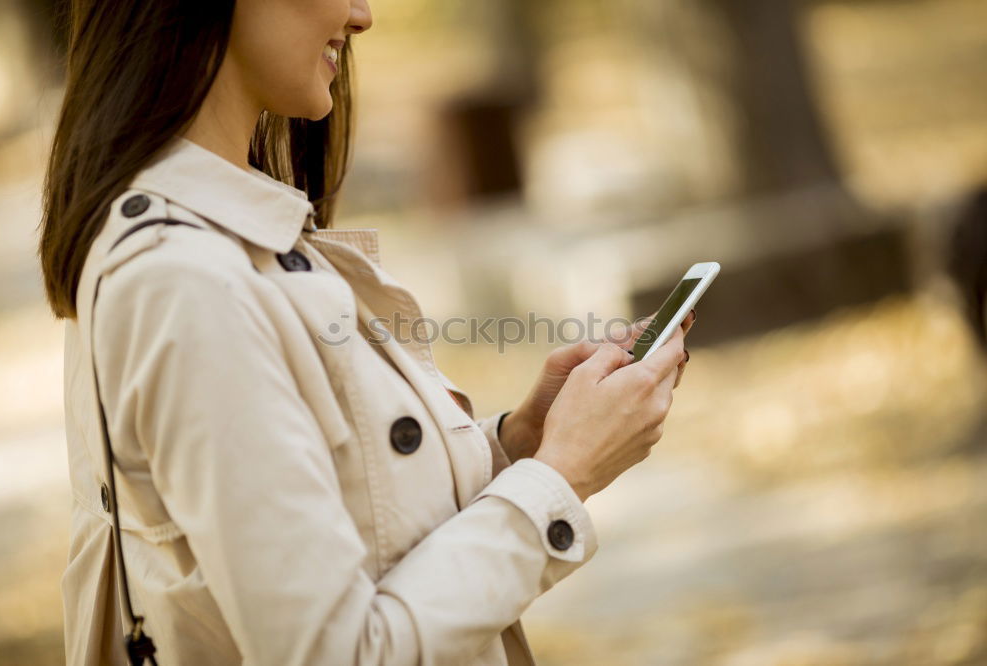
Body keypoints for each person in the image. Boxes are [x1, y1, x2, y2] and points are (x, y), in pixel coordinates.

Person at [37, 1, 694, 664]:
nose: (361, 15)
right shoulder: (185, 280)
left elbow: (344, 512)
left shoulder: (206, 237)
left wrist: (519, 444)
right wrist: (562, 476)